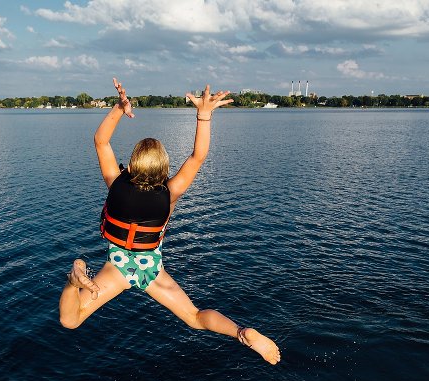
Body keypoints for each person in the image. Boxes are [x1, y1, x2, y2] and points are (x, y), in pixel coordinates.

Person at [58, 78, 280, 365]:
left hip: (118, 268)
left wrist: (119, 108)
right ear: (164, 168)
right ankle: (240, 332)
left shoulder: (115, 183)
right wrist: (204, 114)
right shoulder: (170, 194)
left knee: (71, 320)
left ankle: (75, 275)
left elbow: (100, 141)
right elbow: (198, 157)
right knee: (195, 317)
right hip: (150, 269)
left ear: (133, 161)